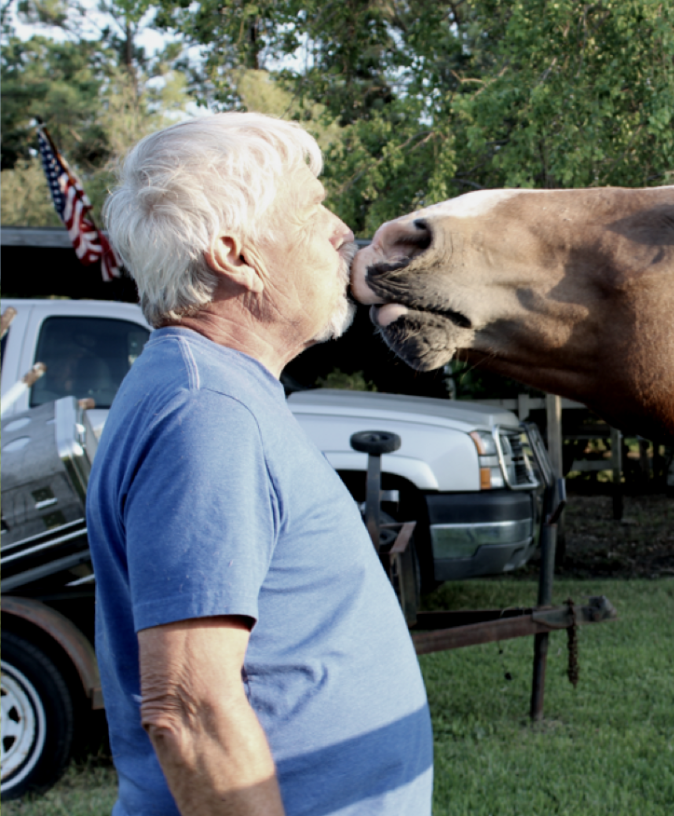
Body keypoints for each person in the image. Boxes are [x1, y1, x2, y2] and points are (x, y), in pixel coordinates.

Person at [87, 112, 433, 816]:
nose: (342, 231)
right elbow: (188, 712)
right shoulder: (204, 412)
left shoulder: (222, 391)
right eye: (310, 209)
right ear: (236, 255)